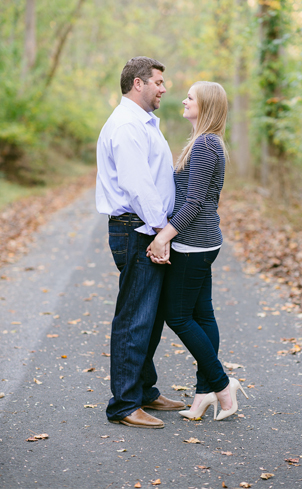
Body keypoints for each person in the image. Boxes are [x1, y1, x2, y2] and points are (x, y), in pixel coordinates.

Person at [96, 56, 187, 429]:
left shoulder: (143, 123)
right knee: (135, 318)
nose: (164, 89)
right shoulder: (126, 126)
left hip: (145, 227)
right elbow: (138, 185)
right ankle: (123, 405)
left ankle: (145, 390)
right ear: (139, 83)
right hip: (138, 229)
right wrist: (160, 230)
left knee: (149, 317)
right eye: (159, 82)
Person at [147, 81, 241, 421]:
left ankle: (221, 383)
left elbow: (196, 202)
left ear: (206, 105)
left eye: (190, 97)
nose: (183, 100)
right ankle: (203, 395)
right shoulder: (207, 142)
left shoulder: (204, 145)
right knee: (203, 316)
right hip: (203, 241)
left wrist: (164, 237)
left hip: (193, 244)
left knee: (179, 317)